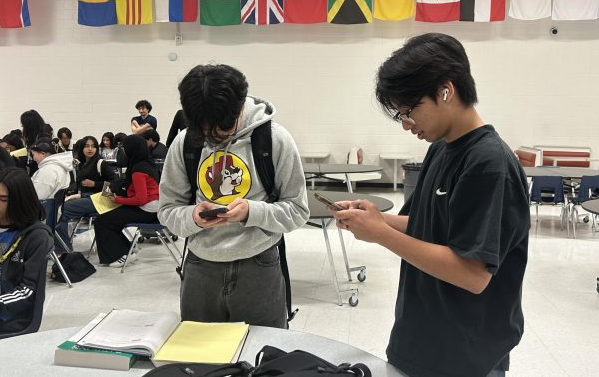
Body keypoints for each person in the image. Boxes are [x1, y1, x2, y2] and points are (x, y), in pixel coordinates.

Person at [331, 33, 530, 377]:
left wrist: (380, 234)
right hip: (420, 337)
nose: (407, 124)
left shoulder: (488, 162)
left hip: (465, 354)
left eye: (409, 111)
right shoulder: (441, 147)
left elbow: (473, 274)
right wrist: (375, 219)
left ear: (445, 91)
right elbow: (428, 226)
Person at [158, 64, 309, 328]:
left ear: (239, 107)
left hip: (259, 264)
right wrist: (192, 217)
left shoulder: (274, 139)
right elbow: (168, 209)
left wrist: (253, 211)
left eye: (223, 127)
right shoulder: (185, 143)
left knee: (262, 356)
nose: (215, 136)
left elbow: (297, 210)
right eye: (206, 130)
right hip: (199, 267)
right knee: (199, 358)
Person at [0, 167, 53, 335]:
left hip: (10, 318)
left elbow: (28, 291)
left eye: (2, 199)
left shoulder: (36, 237)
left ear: (19, 201)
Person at [94, 135, 159, 267]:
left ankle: (118, 256)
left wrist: (118, 200)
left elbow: (141, 199)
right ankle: (128, 249)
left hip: (147, 209)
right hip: (152, 207)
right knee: (109, 220)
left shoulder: (138, 170)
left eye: (124, 148)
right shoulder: (146, 163)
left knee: (102, 221)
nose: (122, 151)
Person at [54, 136, 117, 252]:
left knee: (62, 210)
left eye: (93, 146)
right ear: (82, 148)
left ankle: (63, 248)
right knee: (58, 209)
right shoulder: (82, 164)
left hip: (100, 200)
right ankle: (62, 246)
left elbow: (115, 183)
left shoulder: (100, 163)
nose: (90, 149)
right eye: (87, 146)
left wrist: (95, 184)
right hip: (86, 199)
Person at [20, 110, 52, 176]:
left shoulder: (43, 137)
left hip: (42, 169)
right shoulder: (35, 135)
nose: (22, 127)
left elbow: (41, 157)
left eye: (23, 125)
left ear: (29, 125)